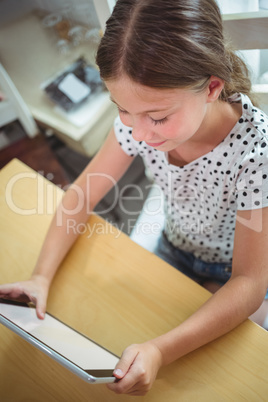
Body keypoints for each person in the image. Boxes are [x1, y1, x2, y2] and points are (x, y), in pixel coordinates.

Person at [1, 0, 268, 396]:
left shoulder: (256, 154)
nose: (140, 134)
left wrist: (161, 350)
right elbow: (82, 194)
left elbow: (249, 281)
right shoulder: (139, 120)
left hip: (231, 271)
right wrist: (40, 276)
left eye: (157, 117)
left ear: (212, 87)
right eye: (123, 109)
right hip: (173, 244)